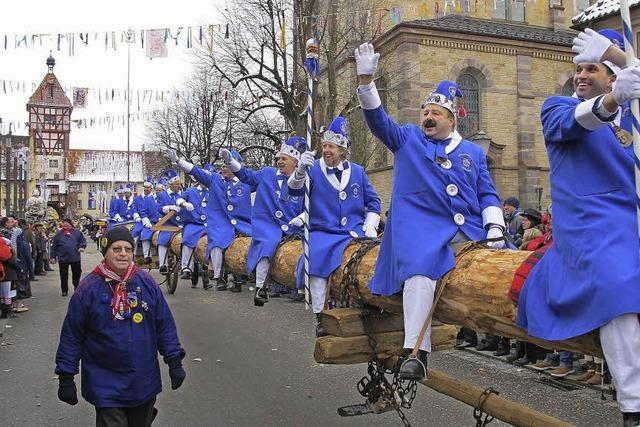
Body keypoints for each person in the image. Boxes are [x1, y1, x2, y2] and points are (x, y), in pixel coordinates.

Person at [354, 42, 506, 381]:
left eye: (435, 113)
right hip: (421, 234)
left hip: (469, 233)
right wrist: (367, 81)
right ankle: (417, 353)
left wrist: (495, 228)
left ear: (451, 119)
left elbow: (487, 194)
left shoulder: (473, 153)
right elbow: (378, 121)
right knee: (421, 273)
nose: (427, 116)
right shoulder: (408, 139)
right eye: (425, 111)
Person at [517, 28, 640, 426]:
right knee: (616, 288)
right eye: (579, 69)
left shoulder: (634, 116)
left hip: (632, 220)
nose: (582, 75)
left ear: (612, 75)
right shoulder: (557, 107)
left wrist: (622, 60)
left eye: (593, 68)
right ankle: (633, 404)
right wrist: (613, 97)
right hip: (590, 227)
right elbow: (579, 121)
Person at [54, 227, 185, 426]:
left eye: (128, 249)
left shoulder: (147, 283)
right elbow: (72, 335)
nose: (123, 254)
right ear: (105, 252)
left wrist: (174, 361)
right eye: (116, 249)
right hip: (105, 380)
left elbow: (164, 325)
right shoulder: (88, 289)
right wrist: (66, 375)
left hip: (143, 379)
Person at [287, 116, 381, 336]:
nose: (326, 150)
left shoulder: (358, 171)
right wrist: (300, 171)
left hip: (355, 232)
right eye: (324, 146)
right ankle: (320, 316)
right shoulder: (313, 169)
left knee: (375, 259)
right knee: (317, 266)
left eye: (331, 146)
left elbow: (374, 202)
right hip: (324, 232)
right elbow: (293, 191)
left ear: (342, 150)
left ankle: (371, 307)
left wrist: (370, 224)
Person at [223, 137, 306, 306]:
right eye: (278, 158)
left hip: (294, 227)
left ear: (296, 162)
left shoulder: (305, 180)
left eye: (284, 159)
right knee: (267, 243)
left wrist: (303, 218)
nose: (279, 161)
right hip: (268, 225)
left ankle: (303, 288)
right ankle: (261, 287)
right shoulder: (267, 173)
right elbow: (247, 176)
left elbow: (313, 206)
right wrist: (231, 162)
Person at [221, 152, 255, 292]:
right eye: (222, 166)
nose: (223, 169)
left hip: (246, 224)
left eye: (226, 166)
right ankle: (224, 277)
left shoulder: (247, 184)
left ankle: (246, 276)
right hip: (226, 224)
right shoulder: (221, 184)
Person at [175, 180, 208, 282]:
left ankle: (216, 269)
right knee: (187, 239)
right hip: (193, 223)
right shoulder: (190, 191)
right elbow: (178, 199)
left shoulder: (213, 191)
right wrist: (184, 204)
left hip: (210, 224)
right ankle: (186, 268)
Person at [156, 171, 184, 275]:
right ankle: (163, 264)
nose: (179, 186)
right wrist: (169, 208)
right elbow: (158, 208)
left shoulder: (183, 194)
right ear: (171, 184)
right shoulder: (162, 195)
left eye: (180, 184)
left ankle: (185, 265)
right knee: (162, 241)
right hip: (168, 225)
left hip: (182, 224)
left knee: (188, 240)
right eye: (177, 184)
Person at [50, 218, 87, 296]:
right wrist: (52, 257)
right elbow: (54, 246)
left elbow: (82, 241)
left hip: (75, 257)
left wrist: (82, 247)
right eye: (64, 223)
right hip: (63, 258)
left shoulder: (77, 233)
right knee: (63, 275)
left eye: (67, 223)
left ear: (70, 224)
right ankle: (64, 290)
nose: (65, 225)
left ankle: (76, 287)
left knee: (77, 273)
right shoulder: (58, 234)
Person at [140, 179, 165, 264]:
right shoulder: (148, 199)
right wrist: (147, 223)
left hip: (165, 224)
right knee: (145, 235)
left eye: (160, 190)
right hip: (152, 223)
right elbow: (143, 212)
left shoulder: (166, 199)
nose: (158, 192)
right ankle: (147, 256)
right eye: (157, 190)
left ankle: (163, 257)